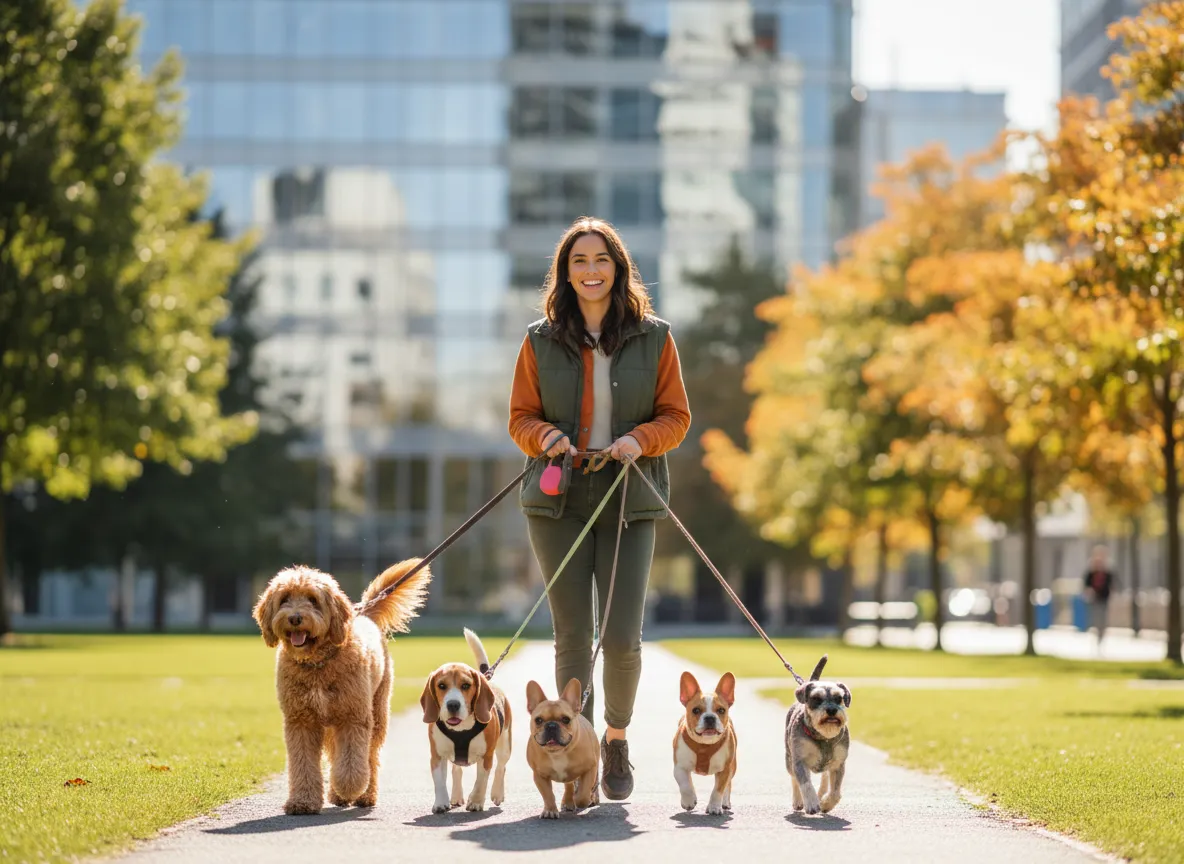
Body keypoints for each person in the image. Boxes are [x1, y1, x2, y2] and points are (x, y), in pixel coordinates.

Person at [507, 216, 691, 801]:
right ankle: (573, 750)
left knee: (622, 636)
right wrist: (545, 438)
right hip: (558, 495)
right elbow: (520, 418)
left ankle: (613, 738)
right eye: (578, 261)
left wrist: (641, 440)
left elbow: (676, 416)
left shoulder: (655, 336)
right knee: (571, 630)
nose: (590, 271)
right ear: (565, 271)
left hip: (629, 493)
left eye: (601, 260)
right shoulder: (539, 339)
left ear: (618, 268)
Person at [1083, 544, 1115, 648]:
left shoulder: (1107, 572)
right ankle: (1096, 635)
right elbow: (1086, 584)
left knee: (1103, 619)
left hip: (1104, 598)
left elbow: (1112, 584)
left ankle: (1101, 637)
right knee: (1095, 618)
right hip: (1093, 599)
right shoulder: (1091, 572)